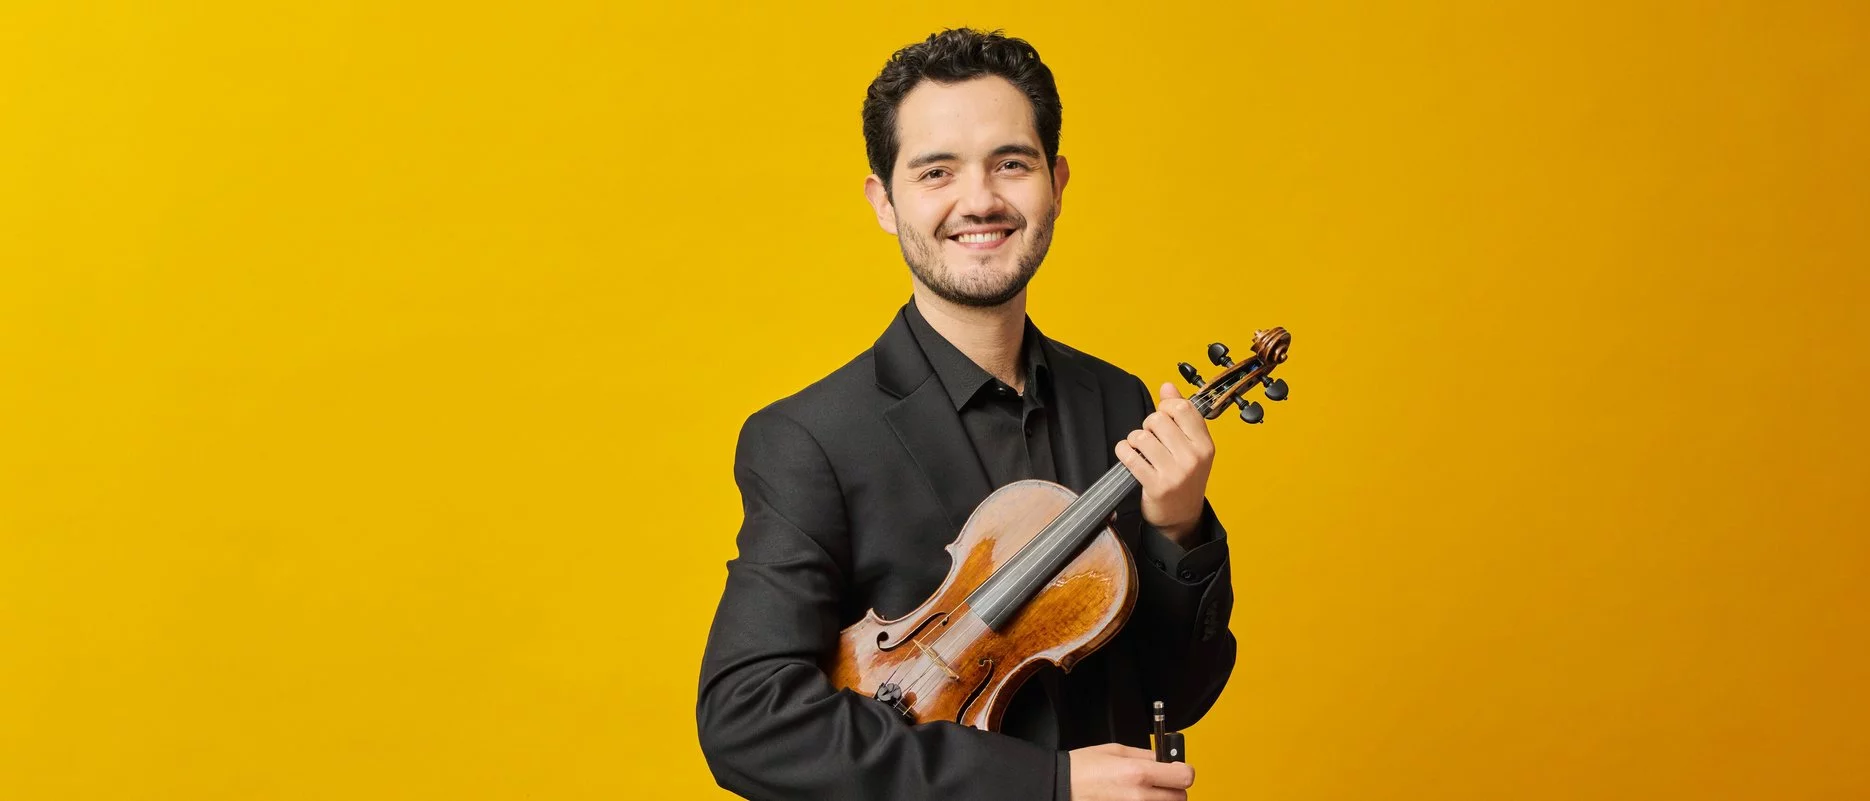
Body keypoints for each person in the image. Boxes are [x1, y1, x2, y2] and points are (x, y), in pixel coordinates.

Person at [697, 28, 1235, 801]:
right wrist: (1045, 783)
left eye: (1009, 164)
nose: (979, 199)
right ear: (884, 201)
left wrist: (1178, 531)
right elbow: (747, 720)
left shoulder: (1117, 403)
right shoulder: (810, 439)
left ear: (1056, 181)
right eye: (936, 170)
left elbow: (1170, 697)